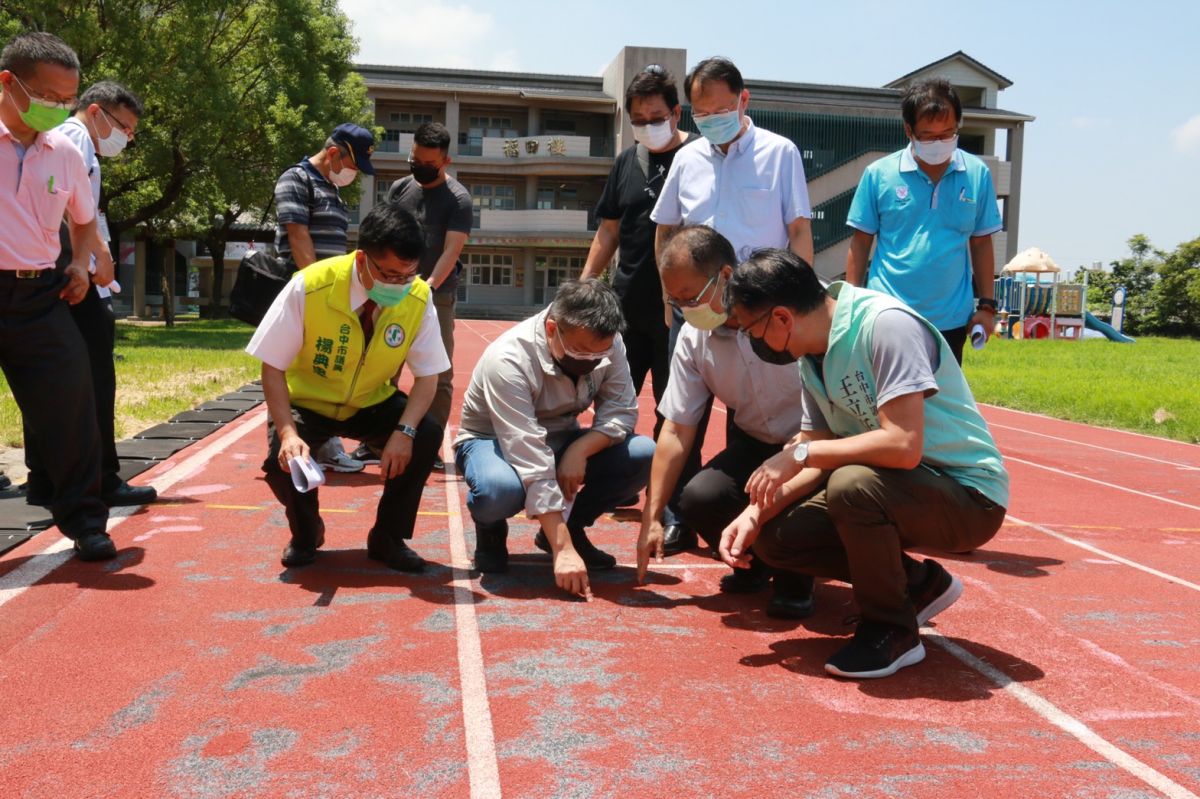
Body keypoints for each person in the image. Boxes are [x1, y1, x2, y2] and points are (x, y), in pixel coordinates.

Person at [719, 249, 1009, 679]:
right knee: (778, 538)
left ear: (781, 317)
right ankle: (917, 585)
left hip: (967, 495)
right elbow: (821, 445)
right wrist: (755, 512)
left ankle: (892, 631)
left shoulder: (884, 326)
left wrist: (799, 453)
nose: (753, 344)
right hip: (900, 486)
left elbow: (903, 445)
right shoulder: (811, 358)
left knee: (852, 486)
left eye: (751, 331)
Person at [246, 202, 447, 571]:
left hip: (371, 402)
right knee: (283, 460)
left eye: (408, 275)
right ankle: (307, 535)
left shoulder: (417, 297)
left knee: (425, 435)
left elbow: (428, 375)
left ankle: (388, 538)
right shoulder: (311, 286)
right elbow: (272, 366)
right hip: (308, 402)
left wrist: (404, 431)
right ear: (360, 259)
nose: (398, 285)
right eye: (388, 274)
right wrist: (289, 433)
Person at [637, 227, 814, 618]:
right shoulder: (693, 339)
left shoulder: (785, 313)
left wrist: (799, 453)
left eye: (692, 297)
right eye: (676, 301)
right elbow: (677, 429)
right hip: (755, 441)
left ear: (727, 277)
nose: (686, 309)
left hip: (813, 441)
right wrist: (652, 515)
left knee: (788, 498)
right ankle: (755, 562)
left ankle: (797, 574)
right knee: (698, 498)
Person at [454, 279, 654, 600]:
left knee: (644, 454)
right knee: (498, 490)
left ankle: (572, 526)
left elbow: (622, 412)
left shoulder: (610, 343)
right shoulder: (508, 359)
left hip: (562, 436)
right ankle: (490, 528)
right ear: (551, 329)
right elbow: (527, 451)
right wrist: (564, 552)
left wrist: (580, 448)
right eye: (578, 351)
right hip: (494, 440)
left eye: (598, 354)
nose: (589, 360)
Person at [0, 32, 116, 560]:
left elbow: (85, 221)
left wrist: (77, 260)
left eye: (67, 100)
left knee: (73, 404)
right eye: (48, 97)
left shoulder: (66, 151)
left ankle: (86, 521)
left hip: (40, 295)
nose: (58, 109)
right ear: (9, 83)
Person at [580, 65, 702, 554]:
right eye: (639, 118)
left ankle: (676, 513)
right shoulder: (627, 161)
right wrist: (586, 284)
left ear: (676, 113)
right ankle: (611, 485)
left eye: (657, 116)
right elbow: (609, 230)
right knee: (614, 404)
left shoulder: (699, 157)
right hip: (626, 308)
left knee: (677, 412)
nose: (649, 125)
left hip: (682, 312)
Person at [23, 80, 152, 509]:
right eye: (125, 127)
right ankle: (100, 477)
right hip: (74, 274)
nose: (127, 138)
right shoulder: (75, 137)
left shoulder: (69, 141)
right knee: (93, 380)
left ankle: (45, 478)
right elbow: (72, 209)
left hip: (62, 270)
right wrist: (99, 255)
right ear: (96, 112)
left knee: (52, 383)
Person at [844, 78, 1002, 364]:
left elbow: (981, 244)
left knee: (940, 406)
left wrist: (987, 306)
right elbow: (860, 242)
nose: (939, 143)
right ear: (909, 130)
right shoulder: (879, 174)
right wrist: (852, 304)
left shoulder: (977, 174)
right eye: (928, 136)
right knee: (890, 403)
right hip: (888, 315)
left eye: (948, 133)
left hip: (950, 321)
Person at [273, 122, 378, 473]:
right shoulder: (296, 180)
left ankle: (322, 444)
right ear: (334, 153)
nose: (353, 174)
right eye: (352, 165)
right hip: (306, 292)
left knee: (326, 365)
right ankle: (295, 444)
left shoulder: (331, 187)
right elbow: (298, 236)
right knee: (297, 368)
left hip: (331, 294)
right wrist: (316, 291)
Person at [651, 56, 813, 266]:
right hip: (698, 294)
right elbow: (665, 229)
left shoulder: (781, 153)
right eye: (702, 115)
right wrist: (669, 292)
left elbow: (799, 231)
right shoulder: (686, 158)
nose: (712, 120)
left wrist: (801, 295)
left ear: (743, 100)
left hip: (761, 291)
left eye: (720, 112)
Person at [381, 122, 472, 471]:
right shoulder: (400, 189)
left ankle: (427, 442)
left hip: (437, 296)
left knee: (438, 372)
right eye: (414, 158)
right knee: (385, 364)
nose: (417, 165)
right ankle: (380, 438)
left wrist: (428, 287)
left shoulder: (458, 199)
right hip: (392, 291)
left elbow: (452, 250)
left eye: (426, 162)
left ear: (445, 161)